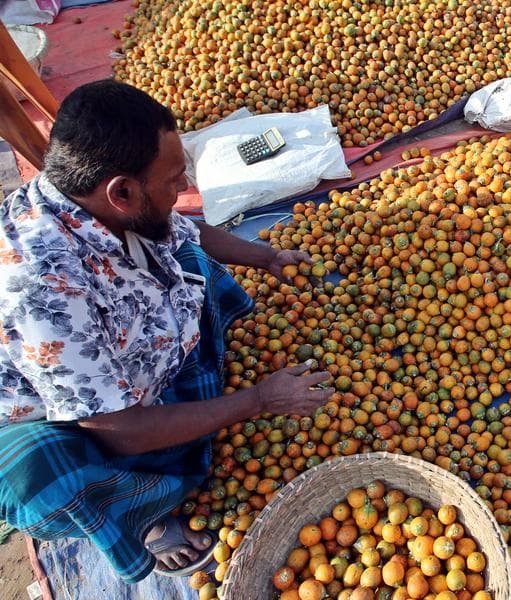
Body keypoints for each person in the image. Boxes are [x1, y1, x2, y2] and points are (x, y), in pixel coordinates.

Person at [0, 80, 334, 582]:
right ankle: (145, 519)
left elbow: (185, 228)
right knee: (42, 475)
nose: (183, 189)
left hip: (122, 361)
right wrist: (260, 401)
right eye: (175, 179)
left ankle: (188, 396)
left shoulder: (97, 202)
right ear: (123, 191)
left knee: (179, 252)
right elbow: (120, 430)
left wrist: (268, 257)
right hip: (74, 416)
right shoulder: (43, 288)